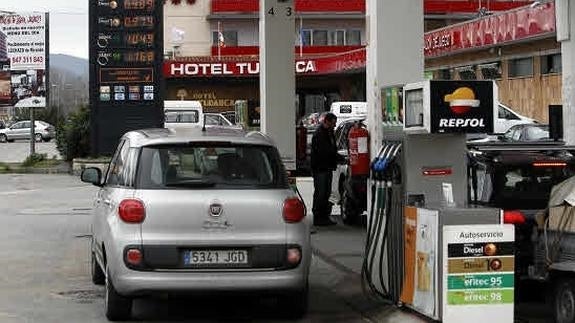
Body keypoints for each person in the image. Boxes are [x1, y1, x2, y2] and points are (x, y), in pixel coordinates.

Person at [310, 112, 339, 226]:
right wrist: (338, 158)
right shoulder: (319, 134)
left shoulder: (329, 132)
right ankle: (318, 217)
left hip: (327, 167)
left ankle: (324, 216)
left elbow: (332, 149)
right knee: (320, 192)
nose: (335, 125)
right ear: (327, 122)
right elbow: (325, 151)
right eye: (333, 123)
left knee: (326, 192)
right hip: (320, 168)